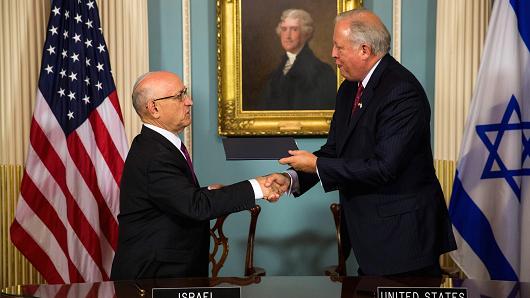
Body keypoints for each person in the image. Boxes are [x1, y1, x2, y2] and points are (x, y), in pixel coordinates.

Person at [266, 8, 457, 277]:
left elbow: (384, 167)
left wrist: (317, 164)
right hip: (371, 237)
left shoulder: (402, 91)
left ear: (365, 50)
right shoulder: (349, 88)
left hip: (404, 241)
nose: (332, 54)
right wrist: (292, 178)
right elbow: (335, 150)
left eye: (339, 47)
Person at [111, 71, 280, 280]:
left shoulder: (156, 146)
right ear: (154, 108)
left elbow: (175, 199)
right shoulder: (154, 154)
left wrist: (206, 192)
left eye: (186, 93)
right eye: (179, 96)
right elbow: (195, 206)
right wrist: (258, 187)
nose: (189, 101)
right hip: (154, 280)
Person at [253, 8, 336, 110]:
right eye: (284, 29)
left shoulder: (322, 72)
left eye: (294, 29)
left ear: (306, 33)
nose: (287, 36)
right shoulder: (274, 75)